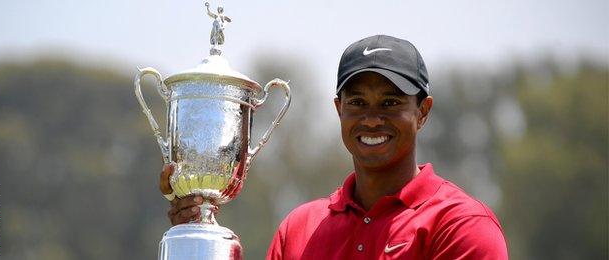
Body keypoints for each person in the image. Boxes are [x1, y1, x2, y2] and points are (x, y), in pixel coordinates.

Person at [160, 35, 508, 259]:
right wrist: (196, 238)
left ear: (423, 112)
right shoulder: (299, 229)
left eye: (390, 103)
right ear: (339, 109)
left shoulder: (460, 225)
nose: (372, 119)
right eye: (358, 102)